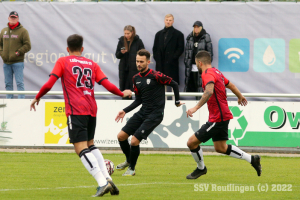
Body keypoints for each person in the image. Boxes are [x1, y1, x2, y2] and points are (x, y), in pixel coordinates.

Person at [30, 34, 132, 197]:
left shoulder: (63, 61)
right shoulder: (92, 64)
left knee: (80, 148)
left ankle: (102, 183)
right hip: (91, 108)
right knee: (90, 144)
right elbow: (107, 84)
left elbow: (50, 83)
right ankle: (108, 179)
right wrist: (121, 93)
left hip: (76, 109)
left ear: (67, 48)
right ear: (82, 49)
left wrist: (37, 97)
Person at [185, 51, 261, 179]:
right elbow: (231, 85)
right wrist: (240, 96)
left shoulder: (207, 73)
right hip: (223, 116)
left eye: (196, 64)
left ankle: (201, 168)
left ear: (200, 63)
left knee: (191, 142)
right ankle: (252, 159)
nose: (197, 66)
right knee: (221, 147)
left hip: (218, 118)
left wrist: (195, 108)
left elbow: (209, 91)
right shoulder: (217, 72)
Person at [115, 49, 184, 176]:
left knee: (134, 141)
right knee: (121, 136)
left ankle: (132, 168)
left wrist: (177, 101)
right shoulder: (135, 78)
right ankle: (129, 160)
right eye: (137, 61)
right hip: (143, 112)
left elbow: (174, 84)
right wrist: (124, 110)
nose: (139, 64)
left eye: (141, 61)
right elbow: (139, 100)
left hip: (155, 114)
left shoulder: (156, 75)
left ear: (148, 62)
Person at [0, 11, 31, 99]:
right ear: (8, 18)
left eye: (15, 17)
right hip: (6, 62)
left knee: (19, 83)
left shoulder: (23, 31)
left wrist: (18, 52)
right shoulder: (3, 31)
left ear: (18, 19)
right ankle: (9, 102)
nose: (13, 19)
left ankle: (21, 102)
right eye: (11, 17)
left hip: (18, 62)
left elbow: (28, 45)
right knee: (8, 83)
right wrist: (2, 53)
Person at [152, 14, 184, 99]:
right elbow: (155, 49)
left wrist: (173, 58)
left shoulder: (178, 34)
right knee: (161, 84)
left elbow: (180, 48)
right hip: (160, 64)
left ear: (173, 21)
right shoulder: (158, 34)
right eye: (167, 20)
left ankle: (175, 100)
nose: (168, 22)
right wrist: (157, 59)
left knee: (173, 83)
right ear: (164, 20)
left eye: (170, 20)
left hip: (172, 64)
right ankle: (163, 101)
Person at [184, 21, 213, 96]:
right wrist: (186, 61)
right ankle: (196, 103)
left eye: (197, 27)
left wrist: (206, 64)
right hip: (192, 66)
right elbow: (187, 51)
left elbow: (209, 53)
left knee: (201, 85)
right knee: (192, 84)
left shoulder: (206, 37)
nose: (196, 29)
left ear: (201, 28)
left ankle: (201, 102)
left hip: (202, 65)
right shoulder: (190, 37)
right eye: (195, 27)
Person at [115, 25, 144, 99]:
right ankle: (124, 106)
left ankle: (138, 103)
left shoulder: (138, 41)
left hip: (135, 68)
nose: (126, 35)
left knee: (136, 87)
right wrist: (121, 52)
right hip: (124, 69)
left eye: (128, 33)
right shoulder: (121, 41)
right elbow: (117, 55)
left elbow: (143, 53)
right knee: (124, 88)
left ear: (132, 32)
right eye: (125, 33)